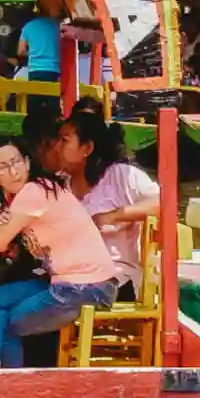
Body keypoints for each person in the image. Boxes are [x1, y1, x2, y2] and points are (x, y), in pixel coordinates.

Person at [0, 138, 120, 368]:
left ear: (28, 163)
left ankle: (2, 383)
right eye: (4, 167)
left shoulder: (34, 191)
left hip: (86, 287)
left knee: (2, 323)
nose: (13, 171)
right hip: (67, 282)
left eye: (17, 162)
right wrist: (4, 222)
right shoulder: (25, 197)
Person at [54, 110, 161, 296]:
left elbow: (161, 203)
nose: (57, 148)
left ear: (87, 148)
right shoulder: (58, 184)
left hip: (116, 281)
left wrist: (114, 216)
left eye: (64, 140)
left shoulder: (120, 176)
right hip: (70, 277)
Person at [18, 12, 62, 84]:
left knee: (36, 93)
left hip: (34, 70)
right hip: (54, 70)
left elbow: (21, 51)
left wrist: (35, 53)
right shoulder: (57, 26)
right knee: (52, 94)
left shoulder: (28, 26)